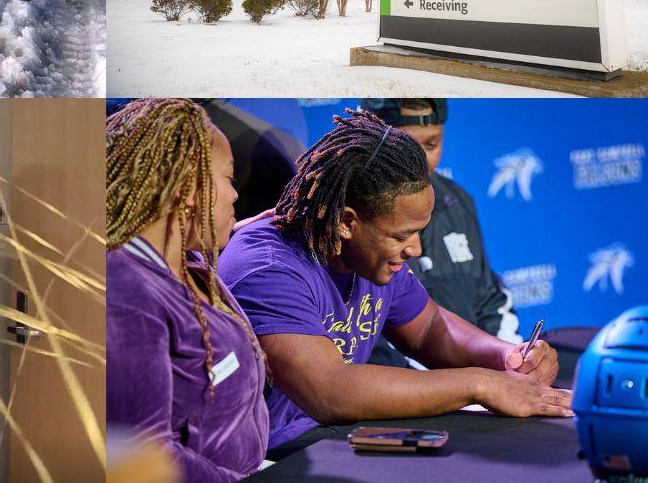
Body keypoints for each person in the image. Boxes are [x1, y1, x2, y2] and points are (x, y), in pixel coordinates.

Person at [217, 109, 570, 457]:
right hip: (271, 457)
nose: (415, 249)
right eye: (402, 235)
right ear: (346, 223)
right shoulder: (266, 266)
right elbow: (330, 391)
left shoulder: (369, 257)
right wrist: (481, 384)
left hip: (339, 437)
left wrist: (506, 357)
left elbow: (428, 329)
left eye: (418, 233)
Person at [106, 99, 269, 483]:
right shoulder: (127, 294)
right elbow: (143, 457)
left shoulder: (189, 264)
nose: (235, 195)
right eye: (228, 178)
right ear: (188, 186)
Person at [359, 99, 521, 369]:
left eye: (431, 145)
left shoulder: (459, 202)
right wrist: (462, 384)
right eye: (407, 148)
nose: (420, 161)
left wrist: (509, 360)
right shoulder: (355, 216)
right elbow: (367, 331)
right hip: (404, 387)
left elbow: (490, 299)